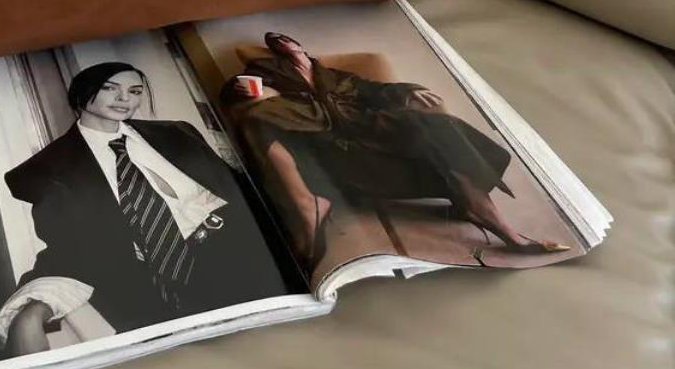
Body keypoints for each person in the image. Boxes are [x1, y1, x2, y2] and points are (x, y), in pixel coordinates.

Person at [0, 60, 299, 354]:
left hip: (241, 248)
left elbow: (239, 189)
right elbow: (67, 247)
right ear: (81, 93)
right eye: (110, 88)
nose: (124, 99)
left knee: (287, 342)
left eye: (135, 91)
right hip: (169, 280)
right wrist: (33, 309)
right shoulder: (50, 170)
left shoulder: (177, 132)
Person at [222, 31, 570, 270]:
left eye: (286, 39)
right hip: (328, 138)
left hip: (372, 128)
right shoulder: (269, 69)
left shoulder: (336, 75)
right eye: (276, 43)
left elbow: (377, 90)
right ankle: (311, 207)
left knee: (434, 127)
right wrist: (246, 88)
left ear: (300, 46)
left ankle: (489, 216)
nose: (282, 44)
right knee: (258, 118)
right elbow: (237, 89)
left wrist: (407, 90)